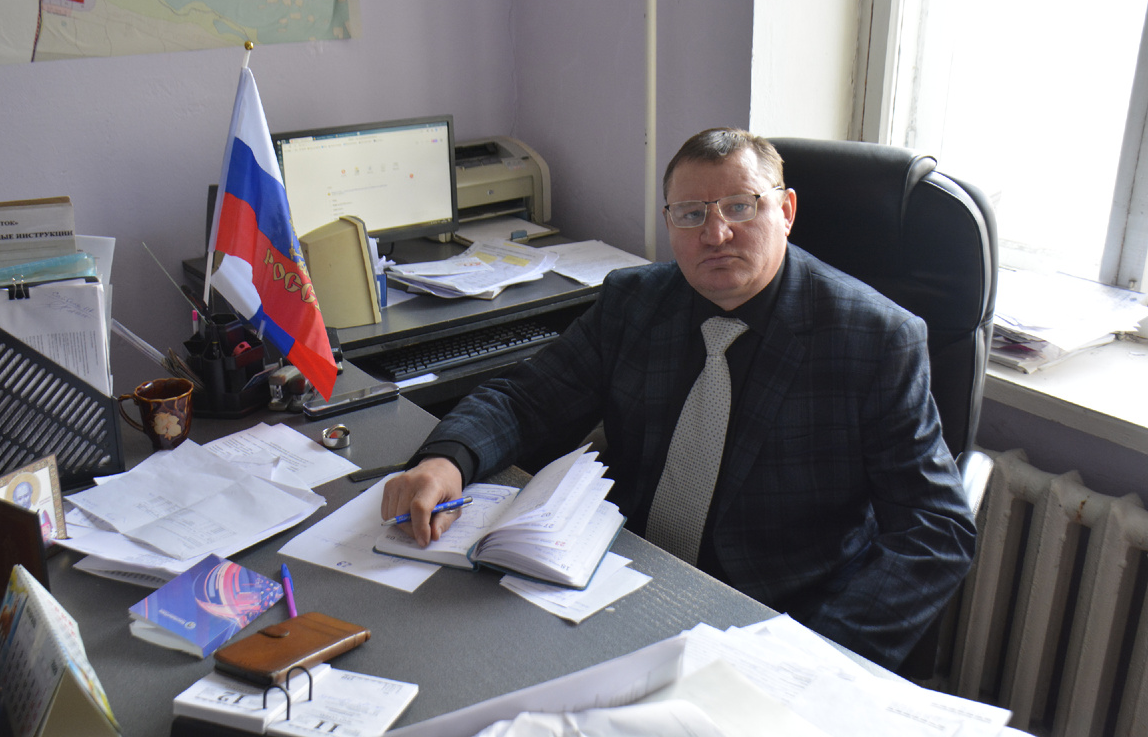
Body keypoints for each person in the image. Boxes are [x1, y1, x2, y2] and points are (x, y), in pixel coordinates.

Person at [382, 127, 976, 671]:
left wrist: (816, 655)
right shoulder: (635, 301)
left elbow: (934, 529)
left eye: (740, 207)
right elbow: (527, 400)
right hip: (620, 583)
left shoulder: (873, 337)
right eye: (692, 214)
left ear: (786, 211)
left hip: (775, 618)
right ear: (670, 223)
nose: (715, 235)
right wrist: (447, 460)